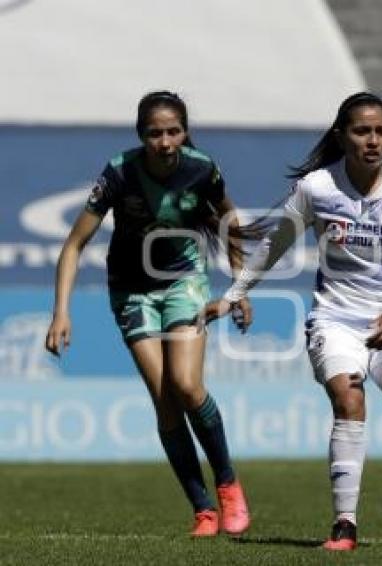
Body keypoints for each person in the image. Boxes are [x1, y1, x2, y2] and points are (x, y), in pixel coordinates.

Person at [200, 92, 382, 551]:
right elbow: (275, 245)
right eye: (362, 131)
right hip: (337, 320)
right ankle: (344, 523)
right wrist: (233, 295)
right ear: (342, 135)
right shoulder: (318, 188)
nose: (372, 140)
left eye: (380, 131)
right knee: (349, 400)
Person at [45, 91, 251, 538]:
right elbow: (74, 244)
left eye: (173, 131)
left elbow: (229, 221)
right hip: (131, 291)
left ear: (184, 132)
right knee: (164, 398)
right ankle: (203, 510)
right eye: (155, 133)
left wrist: (239, 288)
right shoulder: (120, 172)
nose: (165, 141)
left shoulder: (202, 168)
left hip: (183, 282)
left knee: (187, 385)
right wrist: (61, 313)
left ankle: (228, 483)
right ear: (141, 136)